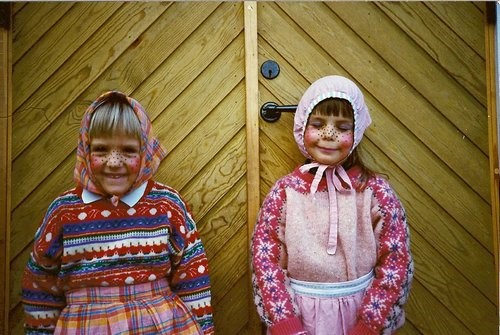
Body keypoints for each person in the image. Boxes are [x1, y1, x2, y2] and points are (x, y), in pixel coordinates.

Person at [22, 91, 214, 335]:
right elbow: (39, 283)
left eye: (128, 150)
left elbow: (193, 277)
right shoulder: (64, 212)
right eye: (101, 149)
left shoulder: (167, 205)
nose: (114, 161)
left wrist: (204, 330)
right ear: (85, 150)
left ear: (145, 153)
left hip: (162, 327)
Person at [251, 75, 413, 335]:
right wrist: (286, 326)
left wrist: (369, 326)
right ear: (302, 127)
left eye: (342, 126)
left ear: (356, 131)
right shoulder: (284, 193)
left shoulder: (375, 193)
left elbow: (396, 262)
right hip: (299, 318)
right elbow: (266, 262)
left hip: (360, 318)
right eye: (318, 124)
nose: (329, 134)